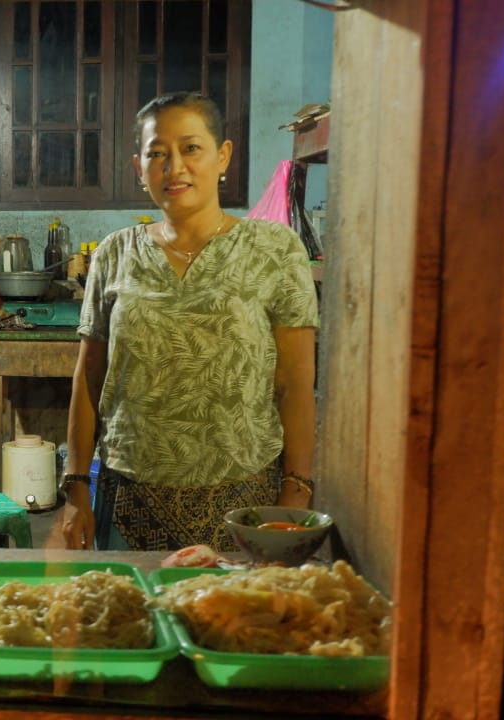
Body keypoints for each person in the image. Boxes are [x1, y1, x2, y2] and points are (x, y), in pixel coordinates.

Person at [54, 91, 320, 551]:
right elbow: (89, 377)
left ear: (223, 156)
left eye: (190, 148)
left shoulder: (275, 249)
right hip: (130, 501)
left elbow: (295, 380)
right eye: (157, 153)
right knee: (132, 618)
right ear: (139, 168)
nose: (173, 166)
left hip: (245, 501)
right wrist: (76, 486)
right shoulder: (114, 253)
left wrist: (296, 487)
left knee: (231, 620)